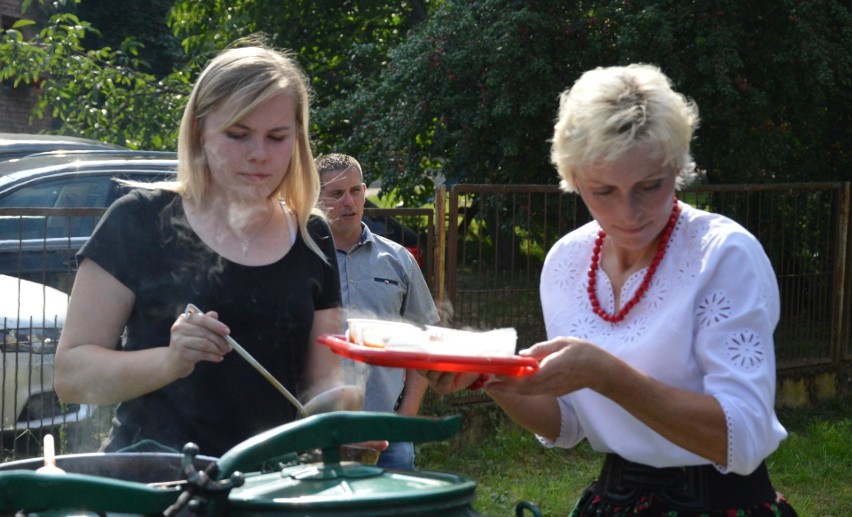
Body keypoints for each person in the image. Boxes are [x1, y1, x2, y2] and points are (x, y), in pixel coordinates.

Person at [423, 64, 797, 515]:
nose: (629, 212)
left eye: (649, 186)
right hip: (614, 501)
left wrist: (607, 375)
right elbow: (568, 423)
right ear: (574, 178)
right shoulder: (567, 261)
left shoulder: (722, 254)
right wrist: (490, 377)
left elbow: (746, 437)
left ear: (677, 167)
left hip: (722, 504)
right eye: (603, 191)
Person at [54, 41, 347, 457]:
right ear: (199, 131)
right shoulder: (137, 219)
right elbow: (71, 376)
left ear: (297, 138)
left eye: (277, 137)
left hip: (270, 487)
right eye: (238, 134)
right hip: (153, 480)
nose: (259, 154)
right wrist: (171, 361)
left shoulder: (310, 233)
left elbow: (323, 382)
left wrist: (343, 413)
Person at [316, 153, 440, 469]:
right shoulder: (303, 261)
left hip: (387, 433)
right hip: (319, 435)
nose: (349, 202)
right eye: (336, 194)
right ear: (315, 198)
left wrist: (403, 418)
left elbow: (424, 342)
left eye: (356, 191)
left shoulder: (398, 260)